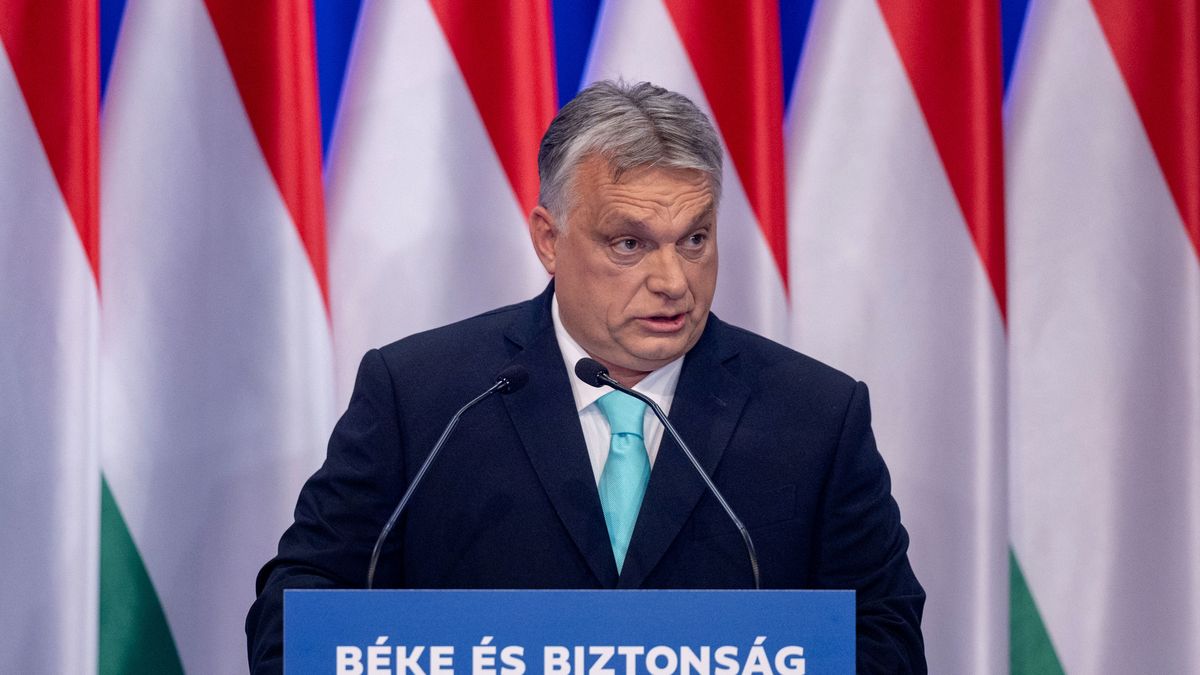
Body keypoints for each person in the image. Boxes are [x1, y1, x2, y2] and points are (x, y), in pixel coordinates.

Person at [246, 80, 926, 673]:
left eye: (695, 238)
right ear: (549, 238)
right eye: (629, 243)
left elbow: (886, 638)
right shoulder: (425, 397)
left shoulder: (815, 415)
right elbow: (297, 611)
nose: (673, 281)